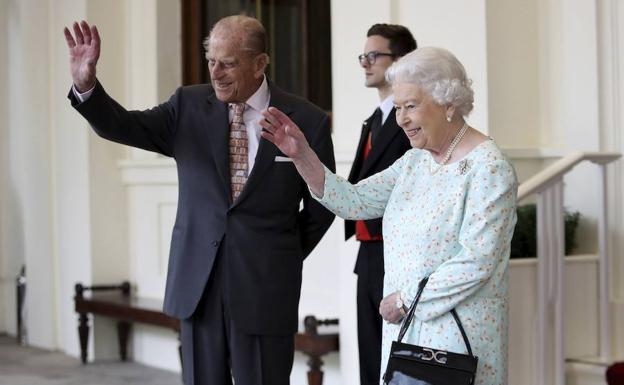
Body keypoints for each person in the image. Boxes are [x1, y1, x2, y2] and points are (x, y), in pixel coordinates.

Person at [63, 16, 335, 385]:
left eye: (229, 63)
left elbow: (322, 206)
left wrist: (279, 253)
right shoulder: (187, 106)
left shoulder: (307, 120)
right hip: (199, 289)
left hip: (265, 289)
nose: (216, 73)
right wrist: (87, 86)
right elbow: (123, 125)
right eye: (211, 61)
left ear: (260, 63)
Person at [260, 47, 517, 385]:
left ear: (449, 102)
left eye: (411, 106)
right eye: (397, 107)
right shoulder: (415, 162)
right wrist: (302, 155)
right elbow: (354, 201)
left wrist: (405, 300)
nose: (401, 119)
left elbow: (477, 262)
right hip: (407, 332)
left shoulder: (489, 169)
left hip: (457, 339)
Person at [349, 23, 415, 385]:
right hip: (368, 254)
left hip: (398, 251)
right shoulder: (373, 120)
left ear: (400, 60)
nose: (365, 63)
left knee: (397, 358)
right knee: (369, 357)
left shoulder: (413, 119)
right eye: (363, 56)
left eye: (374, 56)